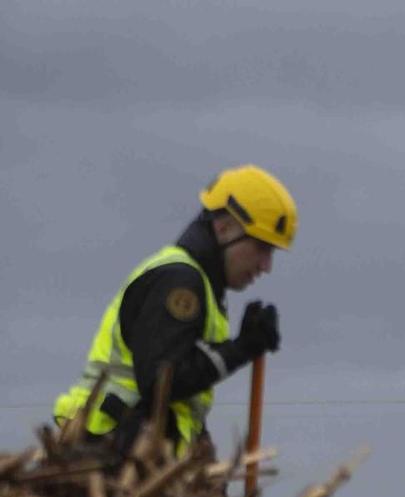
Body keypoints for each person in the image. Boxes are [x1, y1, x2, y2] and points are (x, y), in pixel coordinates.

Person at [52, 166, 294, 459]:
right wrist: (242, 348)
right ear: (224, 227)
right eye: (262, 247)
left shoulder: (200, 284)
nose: (266, 266)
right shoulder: (179, 282)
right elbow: (163, 380)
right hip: (107, 453)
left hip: (126, 452)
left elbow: (179, 397)